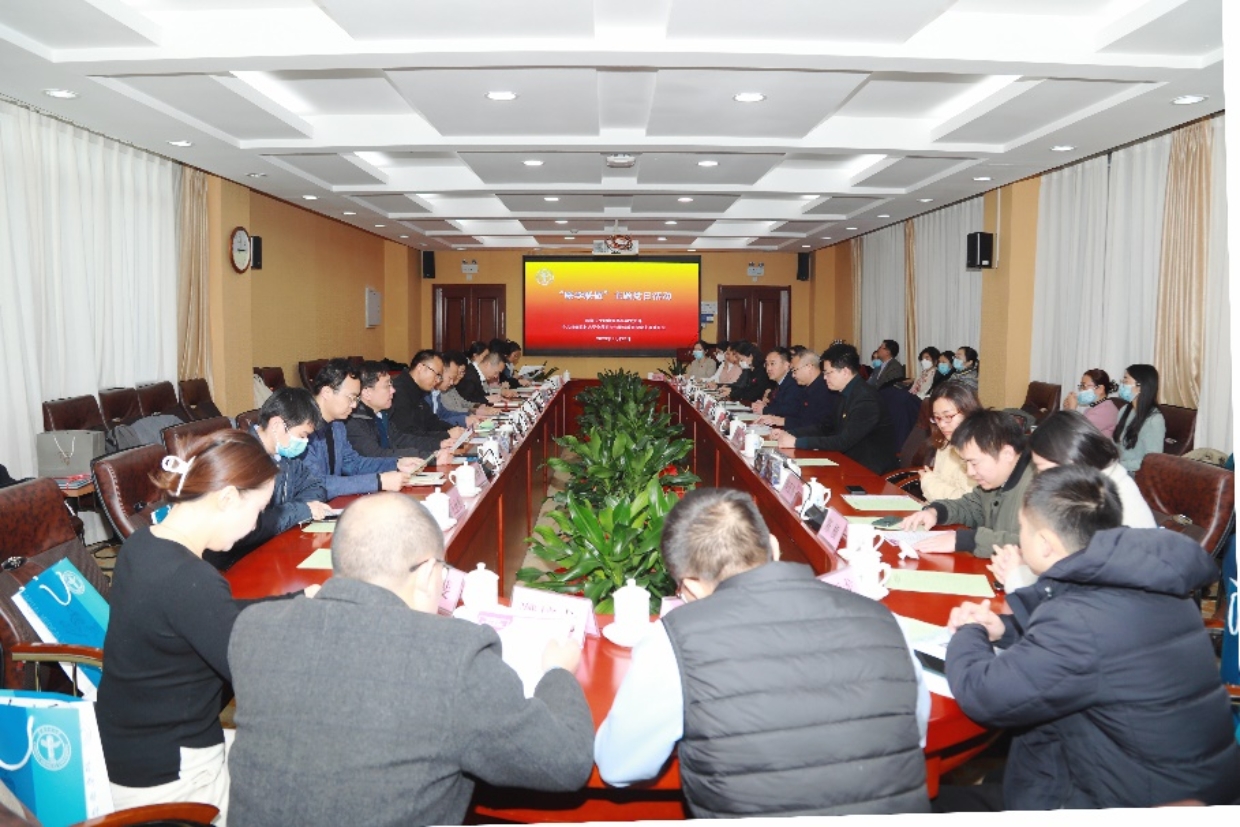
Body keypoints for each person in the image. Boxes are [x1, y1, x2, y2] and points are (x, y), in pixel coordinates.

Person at [227, 493, 595, 826]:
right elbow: (565, 763)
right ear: (430, 573)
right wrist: (558, 671)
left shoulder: (255, 629)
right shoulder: (454, 655)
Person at [594, 487, 930, 817]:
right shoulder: (884, 620)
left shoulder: (672, 642)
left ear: (691, 587)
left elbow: (620, 766)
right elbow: (915, 732)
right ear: (774, 547)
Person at [940, 466, 1240, 810]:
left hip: (1134, 802)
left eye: (1022, 529)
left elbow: (984, 694)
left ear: (1045, 543)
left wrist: (969, 631)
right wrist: (1004, 630)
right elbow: (1100, 648)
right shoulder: (1150, 577)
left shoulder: (1079, 619)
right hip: (1188, 782)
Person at [97, 430, 309, 821]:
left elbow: (213, 616)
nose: (256, 525)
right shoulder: (190, 578)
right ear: (227, 498)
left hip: (131, 749)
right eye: (258, 510)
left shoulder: (144, 545)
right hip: (172, 776)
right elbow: (257, 669)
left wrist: (298, 603)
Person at [989, 410, 1157, 592]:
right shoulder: (1101, 484)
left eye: (1040, 468)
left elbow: (1072, 594)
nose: (1038, 478)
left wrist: (1017, 578)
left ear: (1070, 460)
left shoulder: (1100, 504)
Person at [219, 388, 330, 569]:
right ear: (277, 425)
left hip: (277, 546)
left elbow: (316, 486)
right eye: (302, 435)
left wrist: (299, 510)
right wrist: (300, 510)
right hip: (239, 561)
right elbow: (246, 527)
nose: (305, 443)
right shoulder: (242, 459)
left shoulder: (285, 455)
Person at [899, 409, 1034, 557]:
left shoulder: (1041, 487)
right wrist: (936, 512)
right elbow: (971, 507)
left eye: (974, 463)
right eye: (965, 463)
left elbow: (1032, 546)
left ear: (1007, 454)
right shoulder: (995, 480)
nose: (970, 472)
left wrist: (966, 540)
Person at [303, 359, 422, 498]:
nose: (354, 405)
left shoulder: (337, 425)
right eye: (351, 397)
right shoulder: (300, 429)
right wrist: (378, 481)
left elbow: (353, 463)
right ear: (327, 392)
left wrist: (396, 463)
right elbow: (315, 484)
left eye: (356, 399)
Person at [773, 342, 897, 474]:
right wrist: (791, 433)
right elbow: (826, 427)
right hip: (847, 461)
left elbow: (843, 441)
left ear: (845, 372)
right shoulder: (843, 393)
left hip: (869, 470)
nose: (824, 377)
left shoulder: (866, 399)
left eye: (828, 373)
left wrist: (797, 443)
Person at [347, 361, 455, 460]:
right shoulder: (353, 422)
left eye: (391, 385)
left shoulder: (381, 414)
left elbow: (401, 440)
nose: (393, 390)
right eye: (387, 386)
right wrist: (430, 457)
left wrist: (438, 444)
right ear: (367, 393)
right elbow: (376, 455)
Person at [917, 382, 981, 502]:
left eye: (948, 416)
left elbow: (969, 503)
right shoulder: (945, 441)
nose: (942, 424)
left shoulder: (981, 448)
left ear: (969, 413)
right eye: (937, 418)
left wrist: (929, 483)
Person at [390, 351, 466, 446]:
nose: (438, 381)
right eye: (437, 375)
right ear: (421, 368)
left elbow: (432, 422)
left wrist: (456, 430)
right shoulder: (398, 392)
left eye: (440, 377)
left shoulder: (417, 390)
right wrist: (446, 435)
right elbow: (408, 434)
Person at [756, 345, 832, 431]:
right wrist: (778, 420)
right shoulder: (809, 387)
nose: (792, 375)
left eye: (795, 370)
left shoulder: (824, 389)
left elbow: (816, 426)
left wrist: (782, 422)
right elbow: (800, 417)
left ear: (809, 367)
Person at [1113, 363, 1165, 474]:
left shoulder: (1154, 420)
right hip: (1119, 469)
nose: (1122, 385)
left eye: (1125, 381)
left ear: (1139, 386)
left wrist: (1119, 466)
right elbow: (1116, 445)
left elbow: (1152, 461)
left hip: (1135, 474)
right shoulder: (1125, 410)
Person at [1061, 368, 1119, 438]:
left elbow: (1078, 433)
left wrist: (1072, 409)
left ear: (1100, 389)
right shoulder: (1094, 408)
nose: (1081, 390)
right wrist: (1067, 410)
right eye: (1081, 386)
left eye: (1084, 386)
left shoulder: (1106, 410)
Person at [751, 347, 802, 417]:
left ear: (786, 365)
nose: (768, 368)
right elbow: (778, 405)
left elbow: (789, 410)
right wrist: (765, 405)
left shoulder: (794, 383)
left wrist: (764, 409)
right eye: (767, 364)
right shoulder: (781, 382)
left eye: (772, 364)